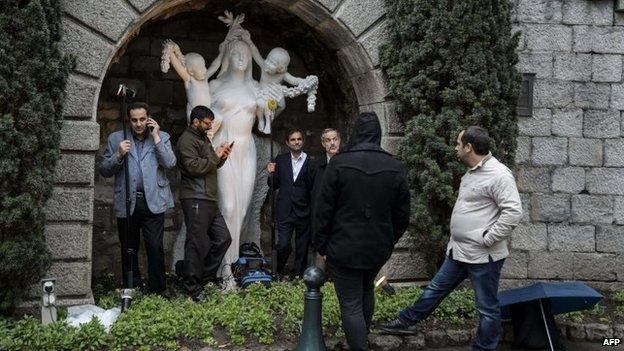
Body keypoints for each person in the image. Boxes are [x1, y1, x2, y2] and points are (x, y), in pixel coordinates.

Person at [378, 126, 523, 351]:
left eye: (458, 144)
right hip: (459, 251)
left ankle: (484, 348)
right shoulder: (471, 172)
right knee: (435, 290)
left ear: (469, 147)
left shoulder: (499, 174)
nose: (455, 148)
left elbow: (513, 212)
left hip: (484, 256)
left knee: (486, 307)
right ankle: (405, 321)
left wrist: (488, 237)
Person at [314, 112, 410, 351]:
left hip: (344, 245)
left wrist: (321, 244)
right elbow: (402, 214)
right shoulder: (394, 165)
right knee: (367, 290)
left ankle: (359, 346)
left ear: (355, 132)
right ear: (378, 134)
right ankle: (360, 341)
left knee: (351, 303)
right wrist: (388, 240)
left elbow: (323, 209)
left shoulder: (339, 163)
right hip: (376, 247)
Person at [99, 102, 176, 294]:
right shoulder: (117, 138)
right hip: (127, 201)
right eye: (134, 120)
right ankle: (131, 288)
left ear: (149, 118)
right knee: (128, 248)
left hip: (153, 201)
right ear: (129, 119)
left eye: (142, 119)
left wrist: (156, 137)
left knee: (155, 247)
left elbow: (170, 163)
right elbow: (104, 170)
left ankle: (158, 291)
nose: (139, 124)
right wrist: (118, 154)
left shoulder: (162, 137)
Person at [176, 105, 233, 301]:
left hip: (208, 198)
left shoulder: (202, 138)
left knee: (223, 238)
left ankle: (204, 277)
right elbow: (193, 167)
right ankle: (192, 287)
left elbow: (209, 163)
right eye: (207, 123)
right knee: (196, 243)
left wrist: (221, 157)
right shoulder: (186, 140)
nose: (210, 127)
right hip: (195, 197)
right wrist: (215, 156)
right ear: (196, 121)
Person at [267, 129, 312, 279]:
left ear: (303, 141)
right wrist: (271, 173)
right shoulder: (280, 160)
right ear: (287, 142)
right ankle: (278, 270)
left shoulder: (310, 161)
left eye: (299, 139)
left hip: (304, 209)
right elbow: (274, 185)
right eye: (293, 139)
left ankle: (298, 275)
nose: (296, 142)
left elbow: (313, 187)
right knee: (283, 244)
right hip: (285, 209)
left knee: (302, 246)